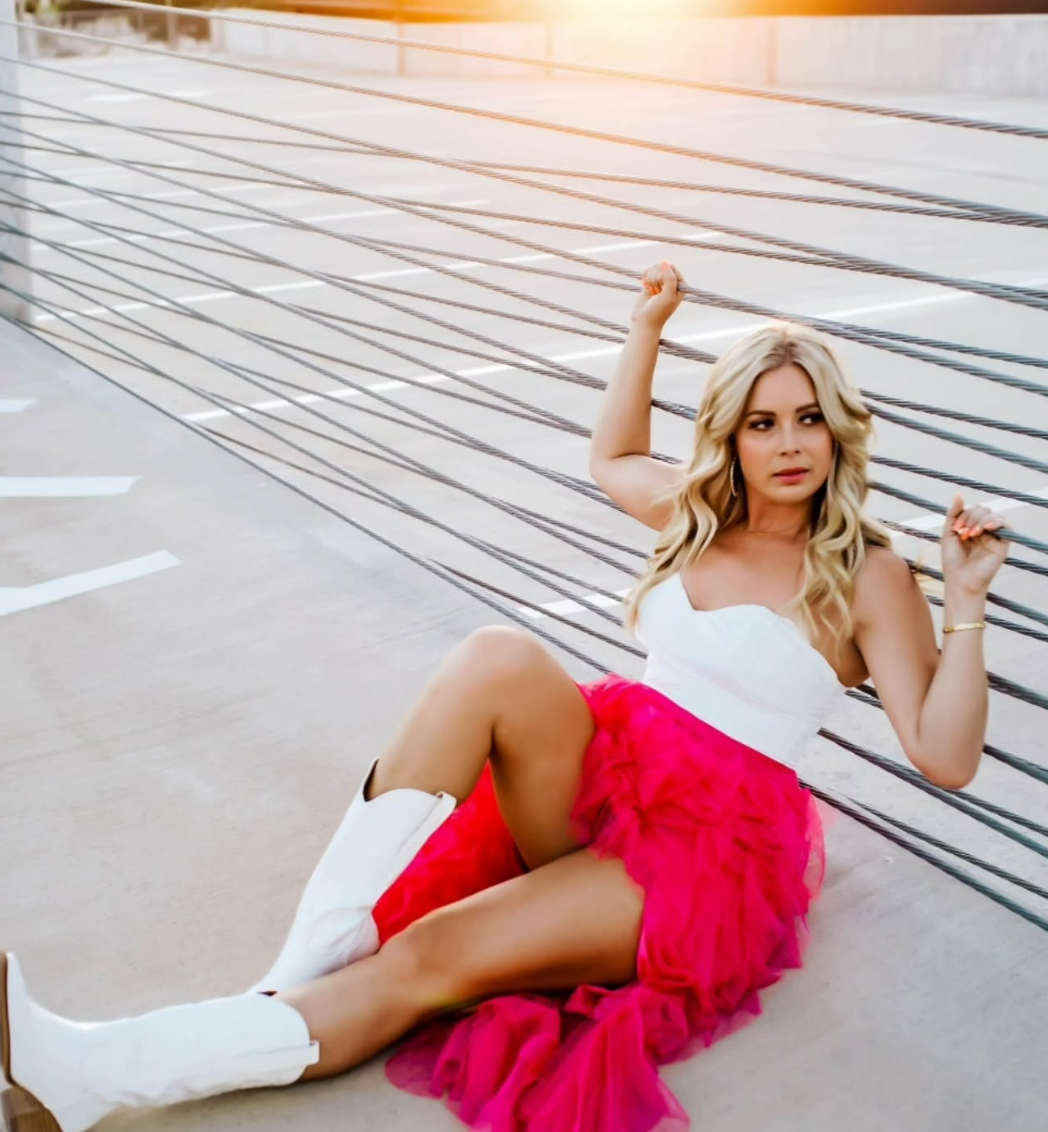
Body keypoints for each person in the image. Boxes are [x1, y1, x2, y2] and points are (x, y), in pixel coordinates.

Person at [0, 261, 1010, 1132]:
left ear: (837, 432)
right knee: (498, 654)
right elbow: (613, 457)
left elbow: (945, 754)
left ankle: (94, 1071)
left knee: (430, 953)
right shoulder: (702, 513)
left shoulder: (866, 573)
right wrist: (645, 330)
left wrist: (964, 604)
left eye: (807, 420)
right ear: (731, 437)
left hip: (696, 860)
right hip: (615, 780)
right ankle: (302, 967)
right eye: (762, 422)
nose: (788, 444)